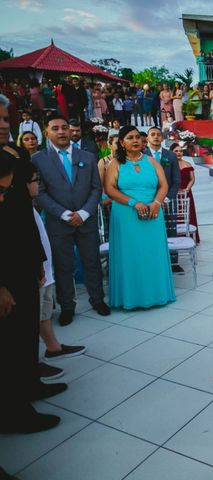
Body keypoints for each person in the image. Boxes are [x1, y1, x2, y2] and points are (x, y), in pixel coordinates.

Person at [0, 96, 65, 433]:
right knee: (9, 343)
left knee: (26, 331)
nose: (3, 126)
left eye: (6, 120)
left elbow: (22, 215)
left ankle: (30, 385)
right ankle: (14, 410)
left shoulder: (10, 155)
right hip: (5, 270)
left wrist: (38, 259)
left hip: (24, 258)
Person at [32, 114, 110, 326]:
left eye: (64, 127)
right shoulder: (38, 159)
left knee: (92, 262)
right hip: (59, 223)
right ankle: (67, 306)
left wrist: (84, 213)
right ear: (47, 133)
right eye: (55, 128)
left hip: (87, 220)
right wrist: (64, 214)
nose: (61, 132)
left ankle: (97, 300)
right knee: (63, 265)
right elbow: (40, 192)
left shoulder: (87, 157)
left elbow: (96, 188)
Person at [24, 162, 86, 382]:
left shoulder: (27, 204)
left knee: (44, 310)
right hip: (34, 268)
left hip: (42, 266)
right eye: (35, 181)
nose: (38, 186)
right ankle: (29, 369)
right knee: (32, 315)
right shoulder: (13, 207)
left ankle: (53, 348)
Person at [104, 126, 175, 309]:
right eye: (129, 137)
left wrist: (156, 203)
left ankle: (158, 295)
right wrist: (133, 203)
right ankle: (130, 297)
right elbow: (110, 189)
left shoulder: (151, 162)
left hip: (153, 214)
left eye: (137, 137)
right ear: (121, 142)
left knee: (152, 253)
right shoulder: (115, 163)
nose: (135, 140)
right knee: (130, 255)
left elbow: (163, 185)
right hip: (126, 215)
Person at [145, 126, 182, 272]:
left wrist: (166, 199)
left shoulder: (170, 156)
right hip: (149, 201)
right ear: (147, 138)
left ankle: (173, 263)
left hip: (168, 202)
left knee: (171, 230)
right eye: (152, 134)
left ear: (162, 138)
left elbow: (176, 180)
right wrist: (153, 201)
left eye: (158, 135)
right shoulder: (143, 155)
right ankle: (153, 261)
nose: (155, 137)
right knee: (151, 231)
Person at [172, 142, 200, 244]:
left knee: (189, 214)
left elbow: (192, 179)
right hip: (173, 194)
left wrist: (187, 188)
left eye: (180, 151)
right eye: (176, 151)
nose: (179, 153)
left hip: (186, 192)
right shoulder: (169, 165)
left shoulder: (187, 164)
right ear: (171, 152)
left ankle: (191, 237)